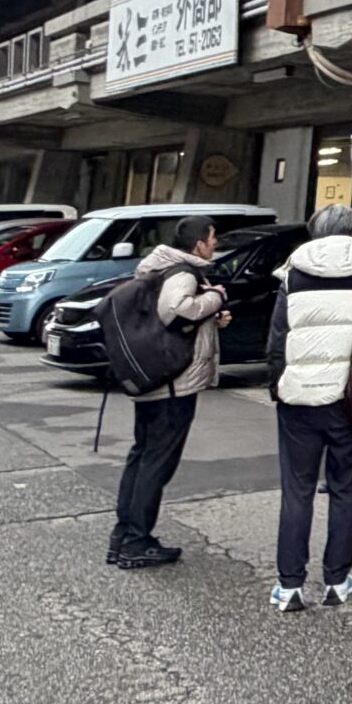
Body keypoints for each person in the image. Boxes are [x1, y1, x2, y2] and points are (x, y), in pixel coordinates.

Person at [263, 203, 352, 611]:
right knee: (345, 489)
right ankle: (336, 581)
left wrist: (278, 387)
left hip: (299, 400)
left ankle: (289, 585)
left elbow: (277, 340)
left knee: (297, 490)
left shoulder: (292, 274)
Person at [108, 212, 230, 569]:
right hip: (174, 384)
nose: (216, 243)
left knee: (142, 455)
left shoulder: (158, 267)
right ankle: (137, 541)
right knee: (157, 462)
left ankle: (123, 535)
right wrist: (215, 299)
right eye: (213, 237)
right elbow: (175, 312)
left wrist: (210, 316)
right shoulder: (183, 272)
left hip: (152, 380)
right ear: (199, 244)